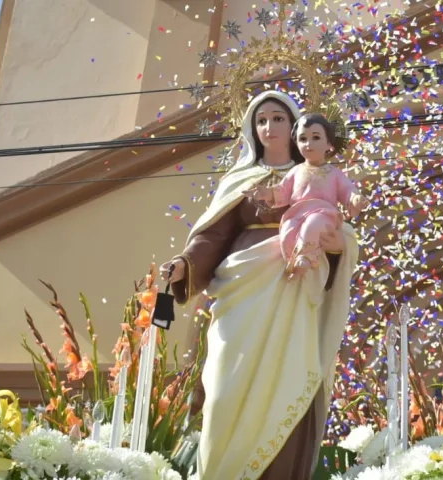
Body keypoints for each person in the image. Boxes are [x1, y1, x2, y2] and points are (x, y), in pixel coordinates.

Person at [160, 90, 359, 480]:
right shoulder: (239, 180)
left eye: (279, 119)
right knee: (221, 388)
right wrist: (185, 265)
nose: (270, 127)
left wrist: (339, 245)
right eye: (262, 120)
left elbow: (340, 229)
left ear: (298, 126)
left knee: (287, 379)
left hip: (295, 287)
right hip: (242, 287)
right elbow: (213, 237)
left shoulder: (316, 177)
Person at [246, 113, 369, 281]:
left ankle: (306, 259)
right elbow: (282, 191)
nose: (309, 144)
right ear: (296, 143)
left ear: (329, 144)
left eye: (316, 138)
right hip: (297, 214)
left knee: (313, 224)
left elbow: (347, 190)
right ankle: (294, 260)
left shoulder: (334, 174)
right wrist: (265, 193)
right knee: (288, 229)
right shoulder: (296, 171)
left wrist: (355, 199)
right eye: (303, 139)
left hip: (324, 215)